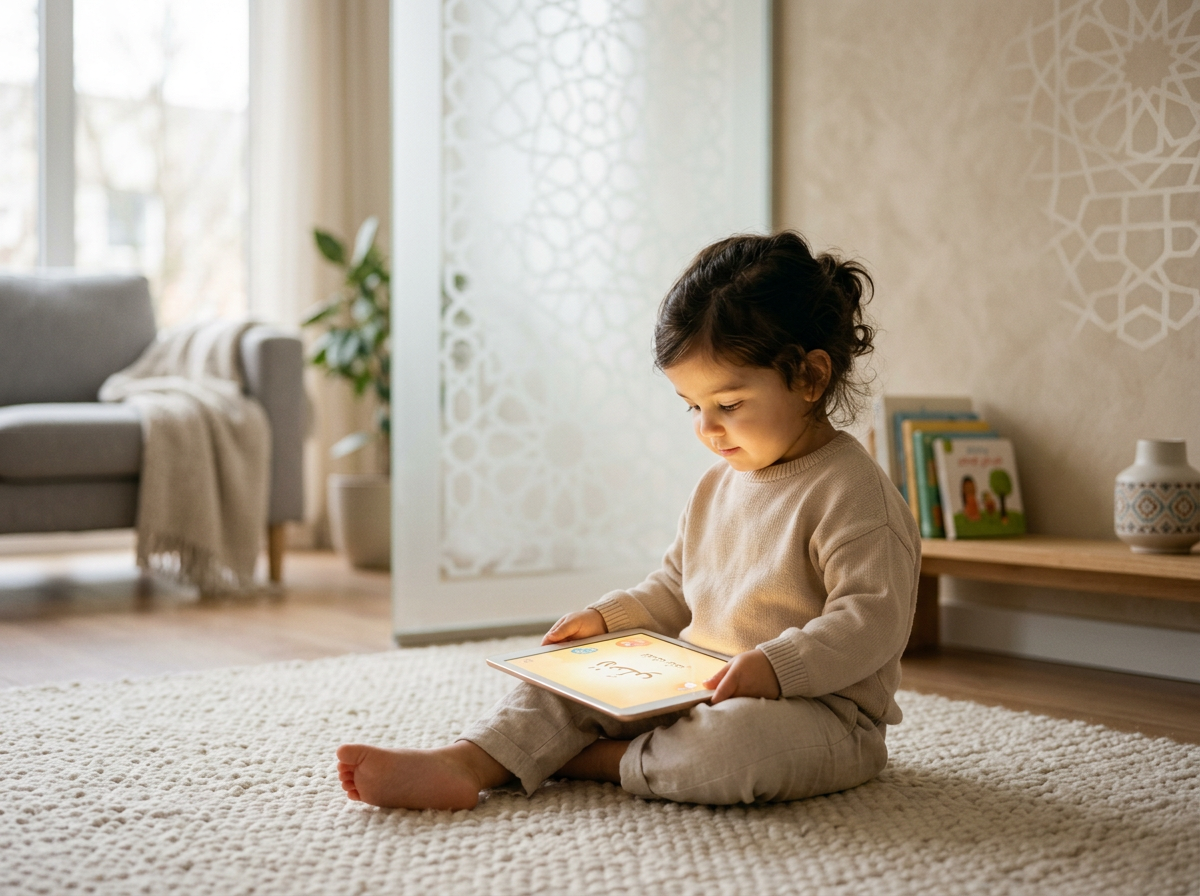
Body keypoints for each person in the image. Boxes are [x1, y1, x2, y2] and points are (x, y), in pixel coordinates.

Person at [337, 231, 921, 810]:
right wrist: (607, 620)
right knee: (566, 683)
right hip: (699, 682)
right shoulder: (717, 485)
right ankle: (463, 761)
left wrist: (775, 668)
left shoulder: (855, 494)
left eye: (729, 405)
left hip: (820, 713)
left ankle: (593, 761)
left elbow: (870, 622)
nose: (707, 428)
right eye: (693, 406)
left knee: (732, 747)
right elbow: (675, 588)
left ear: (810, 378)